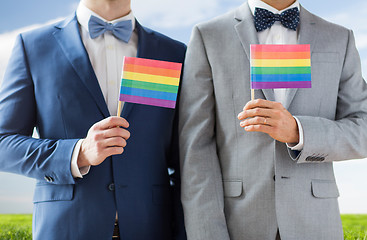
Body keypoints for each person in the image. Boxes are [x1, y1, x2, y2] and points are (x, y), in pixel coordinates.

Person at [179, 0, 367, 239]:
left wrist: (299, 132)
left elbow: (363, 128)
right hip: (237, 223)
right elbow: (195, 149)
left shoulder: (340, 37)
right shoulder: (208, 35)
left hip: (316, 224)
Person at [0, 0, 186, 239]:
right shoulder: (34, 46)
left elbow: (185, 159)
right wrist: (77, 153)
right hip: (66, 229)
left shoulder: (171, 53)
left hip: (152, 229)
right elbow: (4, 144)